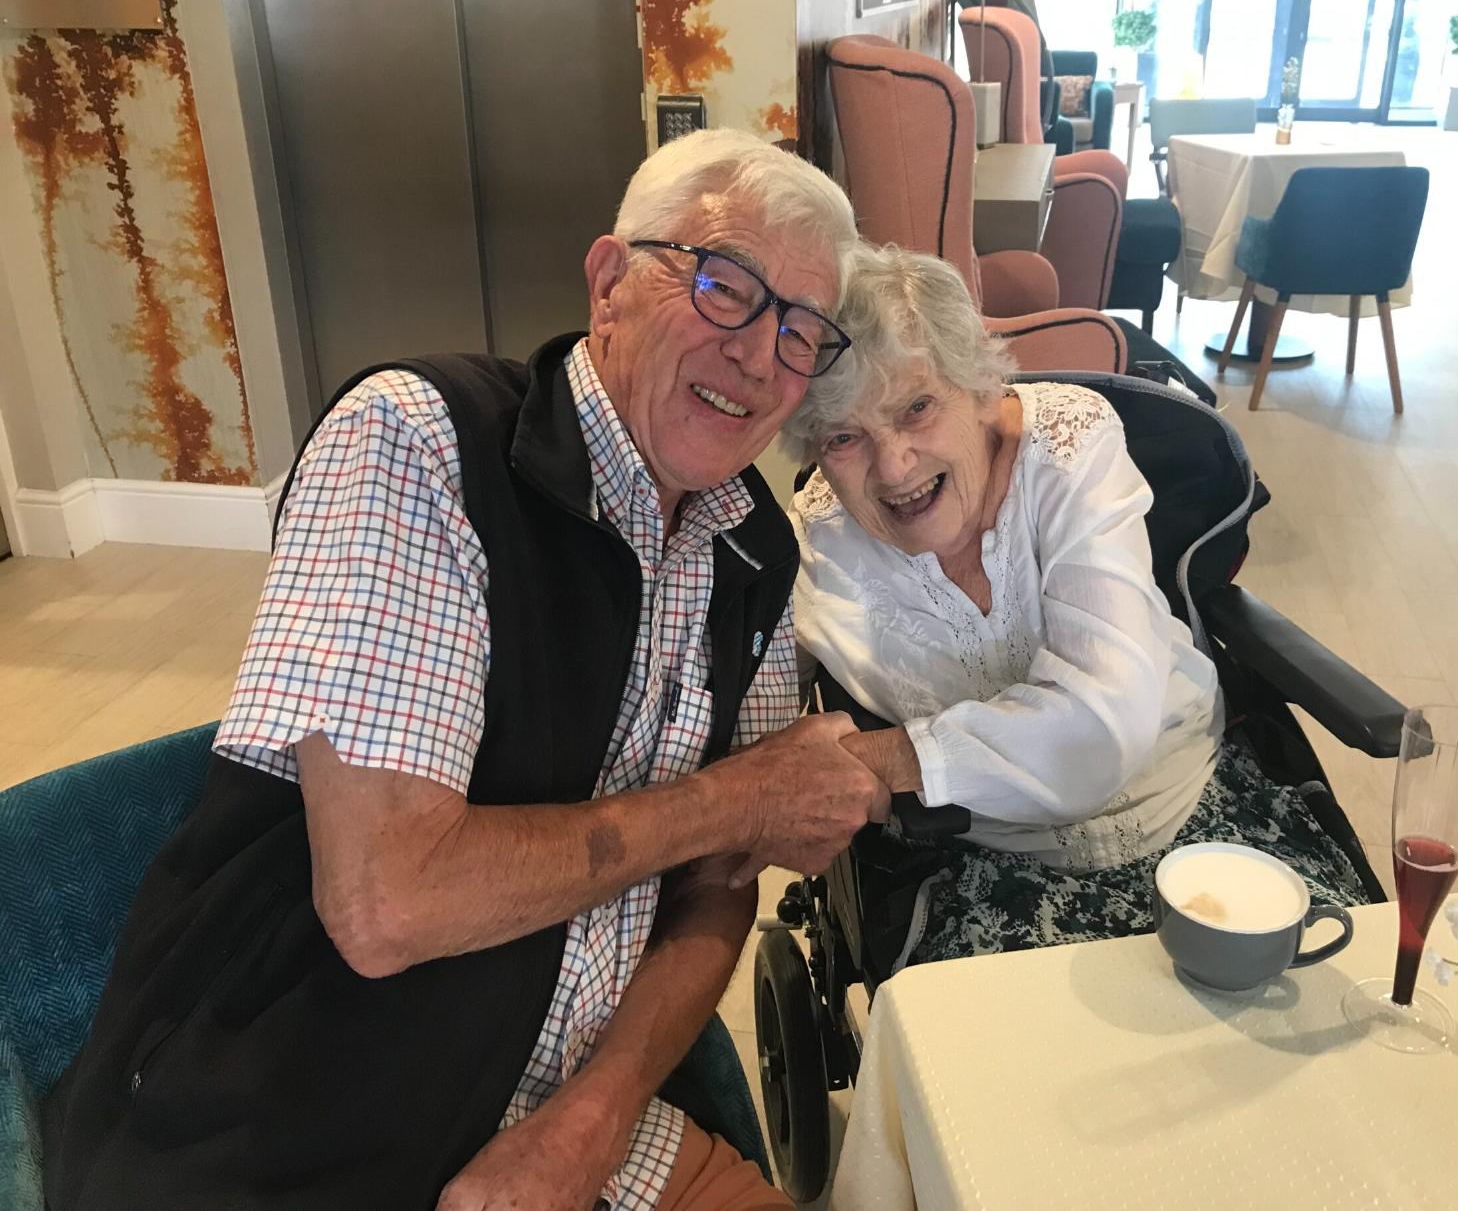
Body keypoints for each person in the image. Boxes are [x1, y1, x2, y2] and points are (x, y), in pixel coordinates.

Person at [44, 130, 888, 1211]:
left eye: (802, 328)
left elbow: (719, 881)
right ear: (609, 283)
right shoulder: (417, 446)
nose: (761, 351)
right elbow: (389, 897)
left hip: (571, 1114)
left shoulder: (752, 549)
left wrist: (589, 1122)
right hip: (295, 1124)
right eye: (726, 286)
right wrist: (731, 800)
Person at [787, 243, 1370, 970]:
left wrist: (886, 761)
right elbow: (752, 739)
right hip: (986, 871)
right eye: (844, 437)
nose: (894, 465)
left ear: (977, 384)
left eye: (916, 406)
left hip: (1193, 814)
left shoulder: (1070, 447)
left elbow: (1101, 725)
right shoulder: (816, 539)